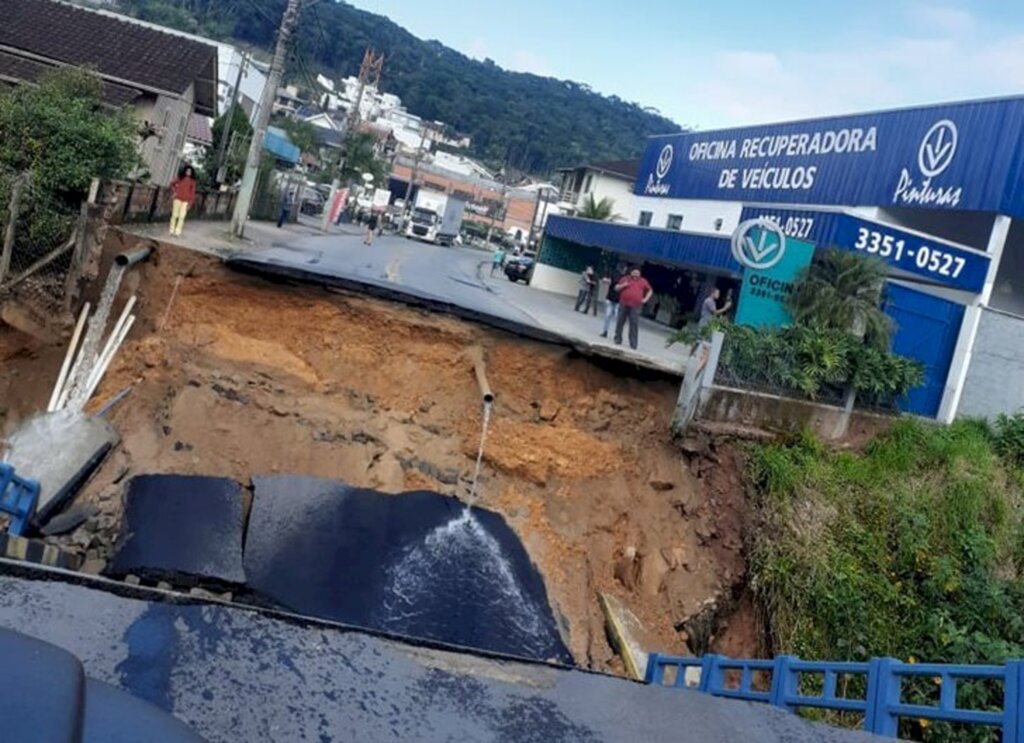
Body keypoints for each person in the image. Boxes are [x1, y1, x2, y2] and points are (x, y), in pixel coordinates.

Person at [614, 267, 653, 350]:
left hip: (635, 306)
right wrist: (624, 285)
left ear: (640, 274)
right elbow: (616, 288)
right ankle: (618, 338)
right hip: (623, 304)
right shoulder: (625, 278)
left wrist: (645, 299)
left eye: (637, 272)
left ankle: (633, 344)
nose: (635, 274)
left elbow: (650, 290)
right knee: (620, 322)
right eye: (634, 272)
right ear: (631, 272)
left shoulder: (643, 281)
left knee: (634, 324)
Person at [168, 165, 197, 237]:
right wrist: (175, 191)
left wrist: (191, 202)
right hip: (177, 198)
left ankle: (178, 231)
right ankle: (171, 230)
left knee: (181, 216)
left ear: (192, 173)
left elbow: (193, 193)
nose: (188, 173)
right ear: (184, 171)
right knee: (174, 215)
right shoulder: (180, 178)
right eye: (187, 171)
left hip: (186, 201)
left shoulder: (192, 182)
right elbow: (171, 184)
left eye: (190, 171)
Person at [600, 271, 622, 338]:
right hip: (611, 299)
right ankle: (606, 332)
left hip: (617, 300)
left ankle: (614, 333)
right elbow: (604, 280)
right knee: (608, 316)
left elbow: (605, 280)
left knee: (613, 317)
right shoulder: (614, 277)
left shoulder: (624, 279)